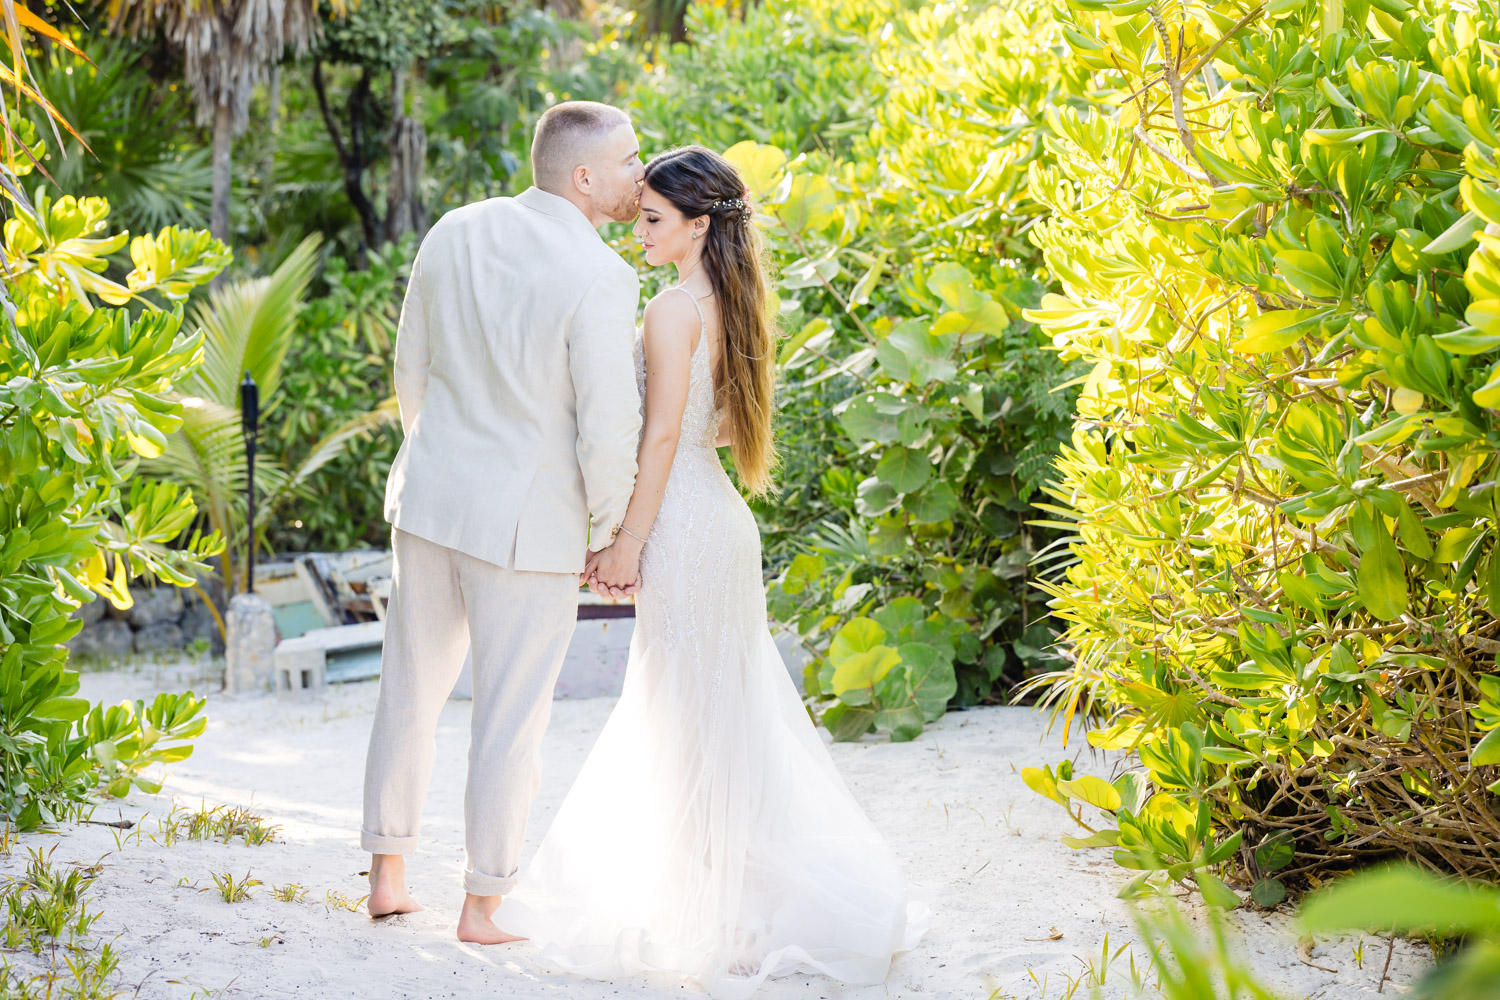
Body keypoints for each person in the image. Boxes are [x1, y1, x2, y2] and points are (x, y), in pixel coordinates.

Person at [496, 146, 927, 997]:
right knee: (718, 715)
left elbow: (659, 440)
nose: (639, 232)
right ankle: (727, 904)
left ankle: (712, 910)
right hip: (721, 519)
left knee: (687, 719)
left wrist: (623, 541)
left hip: (686, 526)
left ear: (698, 225)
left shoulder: (669, 311)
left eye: (653, 219)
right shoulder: (733, 302)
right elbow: (722, 429)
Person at [360, 100, 648, 944]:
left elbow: (411, 363)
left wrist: (438, 456)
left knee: (407, 691)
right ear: (585, 177)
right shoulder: (601, 275)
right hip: (526, 527)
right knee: (510, 715)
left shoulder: (456, 227)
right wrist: (608, 530)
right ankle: (482, 903)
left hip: (432, 498)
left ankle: (388, 876)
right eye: (631, 160)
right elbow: (607, 424)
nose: (642, 173)